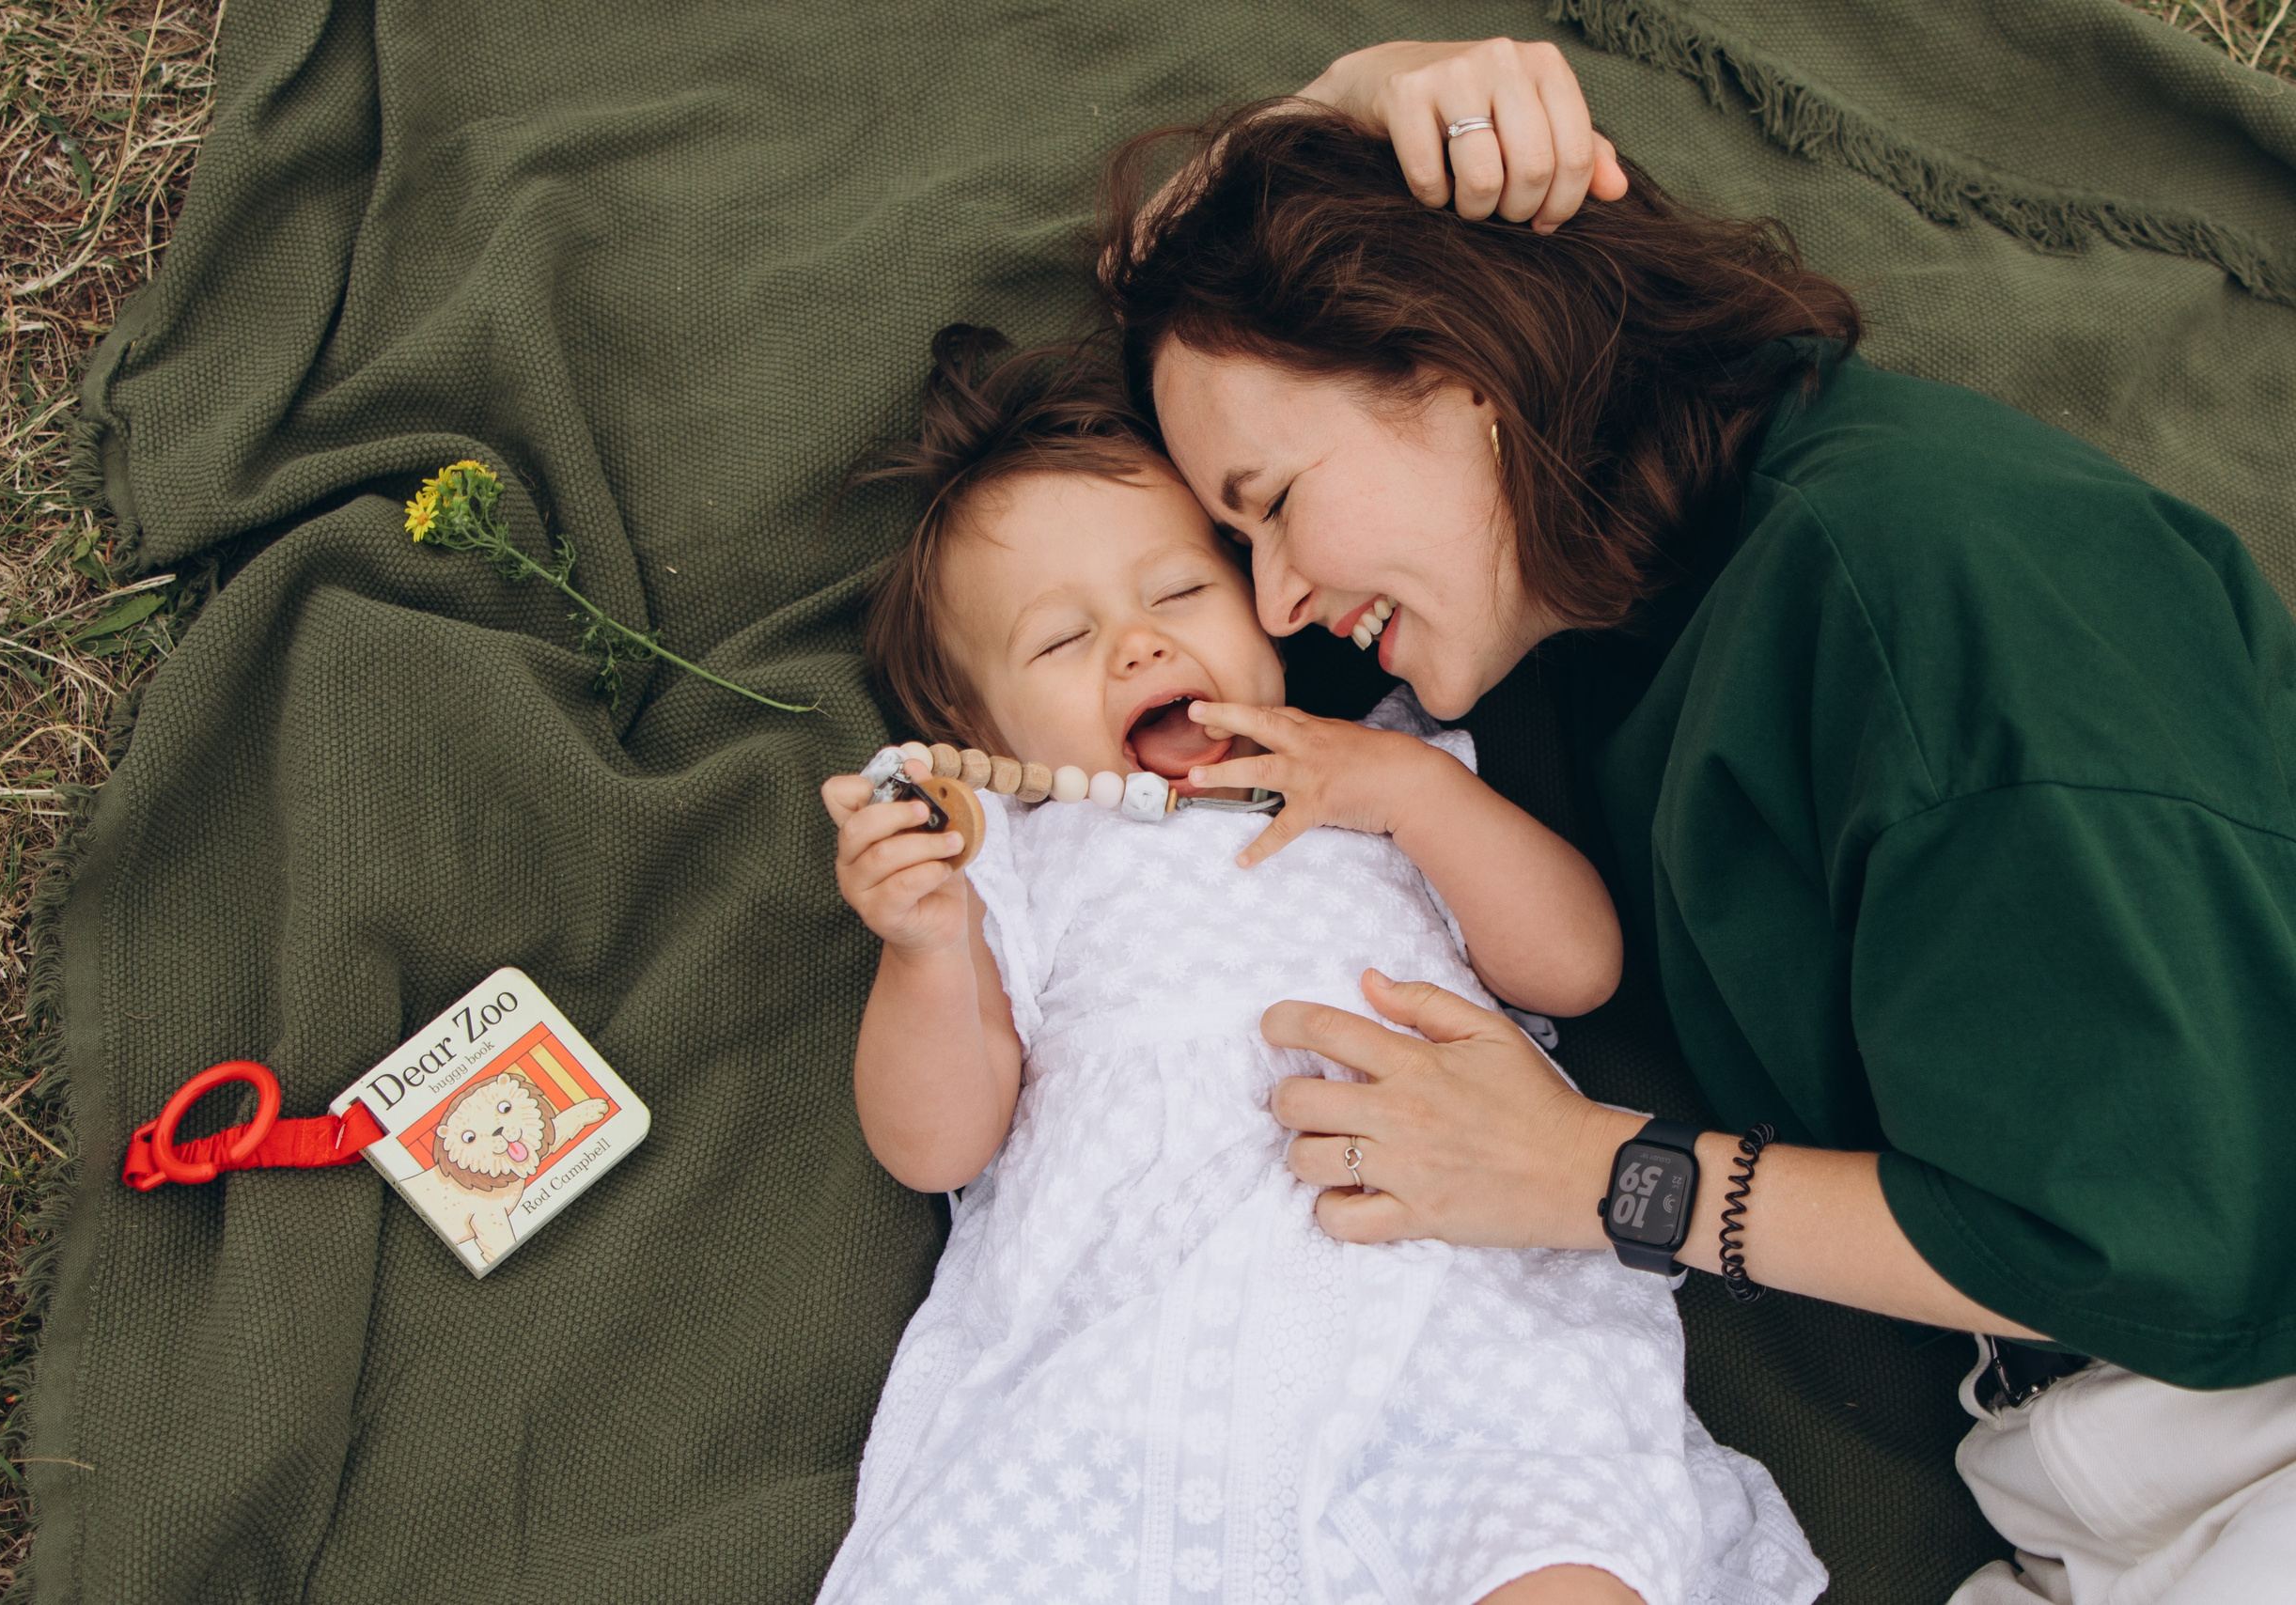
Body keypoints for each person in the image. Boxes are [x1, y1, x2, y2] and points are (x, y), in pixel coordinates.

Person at [1098, 44, 2296, 1605]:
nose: (1272, 599)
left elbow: (2154, 1234)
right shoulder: (1606, 587)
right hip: (2089, 1484)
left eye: (1270, 504)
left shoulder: (1937, 594)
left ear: (1454, 368)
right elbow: (1145, 323)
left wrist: (1584, 1172)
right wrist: (1337, 110)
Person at [812, 325, 1826, 1605]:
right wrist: (923, 949)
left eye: (1179, 594)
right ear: (973, 727)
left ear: (1263, 605)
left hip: (1448, 1284)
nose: (1138, 646)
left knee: (1555, 1537)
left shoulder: (1396, 769)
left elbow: (1577, 967)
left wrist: (1410, 794)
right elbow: (937, 1146)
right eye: (1063, 644)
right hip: (1144, 1326)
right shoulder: (1012, 859)